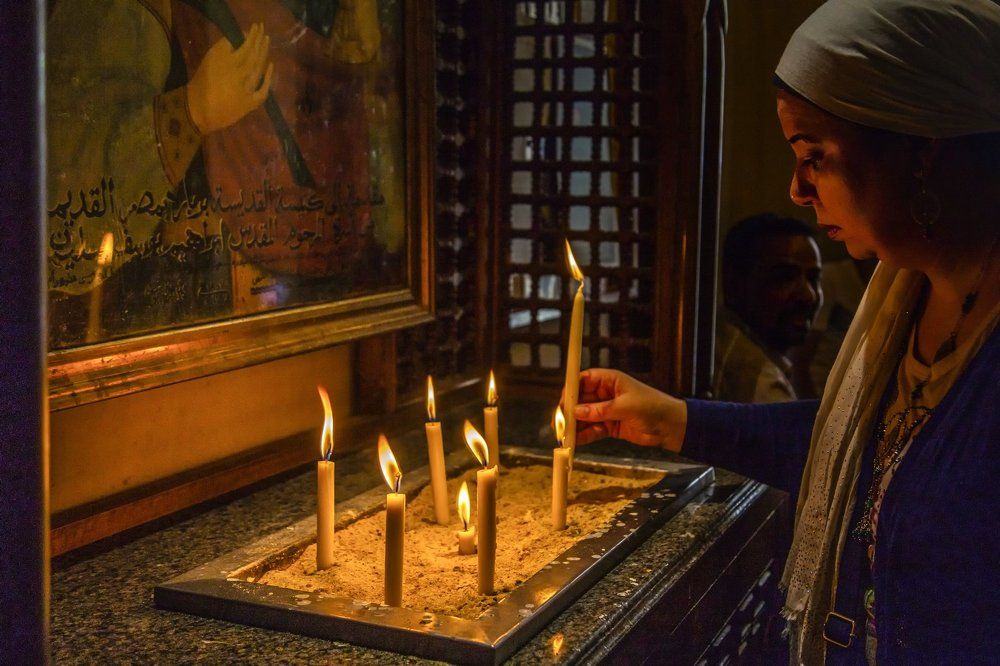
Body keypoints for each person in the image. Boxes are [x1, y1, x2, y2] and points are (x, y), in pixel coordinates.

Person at [569, 1, 1000, 662]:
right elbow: (856, 445)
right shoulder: (907, 295)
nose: (797, 189)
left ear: (921, 147)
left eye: (815, 155)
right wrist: (670, 418)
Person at [715, 213, 822, 402]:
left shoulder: (721, 339)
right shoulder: (760, 383)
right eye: (785, 277)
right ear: (734, 285)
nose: (809, 295)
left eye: (813, 278)